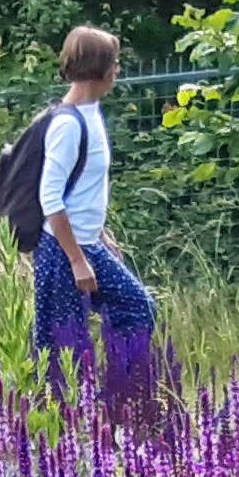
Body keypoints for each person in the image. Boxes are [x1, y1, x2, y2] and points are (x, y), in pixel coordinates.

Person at [29, 27, 157, 384]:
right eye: (114, 64)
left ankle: (120, 399)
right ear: (100, 69)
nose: (117, 71)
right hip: (61, 252)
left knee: (137, 308)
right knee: (62, 351)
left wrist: (99, 238)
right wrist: (76, 260)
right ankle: (59, 425)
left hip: (86, 244)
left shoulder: (90, 113)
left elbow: (83, 190)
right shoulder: (67, 124)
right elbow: (50, 198)